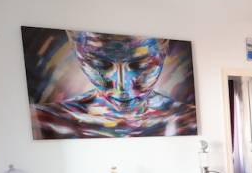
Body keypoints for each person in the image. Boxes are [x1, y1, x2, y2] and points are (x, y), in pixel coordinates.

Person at [32, 30, 196, 138]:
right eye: (101, 65)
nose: (122, 87)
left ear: (164, 51)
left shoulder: (188, 120)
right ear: (76, 50)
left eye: (140, 65)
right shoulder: (46, 121)